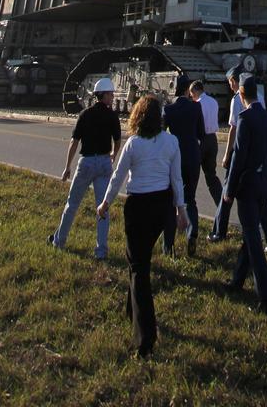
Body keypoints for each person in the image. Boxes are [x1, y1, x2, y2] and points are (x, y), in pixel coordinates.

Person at [97, 94, 187, 358]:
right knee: (138, 261)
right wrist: (181, 211)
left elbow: (117, 178)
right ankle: (131, 310)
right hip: (162, 208)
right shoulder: (172, 141)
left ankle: (145, 339)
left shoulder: (133, 144)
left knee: (139, 268)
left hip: (138, 207)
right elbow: (177, 179)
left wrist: (105, 204)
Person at [48, 76, 121, 259]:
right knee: (102, 208)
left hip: (86, 162)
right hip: (104, 163)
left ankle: (59, 241)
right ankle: (101, 251)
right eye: (111, 94)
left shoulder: (85, 114)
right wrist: (113, 154)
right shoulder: (112, 116)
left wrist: (67, 167)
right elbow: (118, 141)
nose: (113, 97)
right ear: (103, 95)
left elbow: (74, 142)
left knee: (72, 204)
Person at [222, 74, 267, 314]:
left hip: (246, 186)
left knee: (253, 238)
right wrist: (265, 179)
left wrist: (229, 190)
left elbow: (238, 158)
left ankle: (266, 297)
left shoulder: (244, 119)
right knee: (249, 233)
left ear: (241, 95)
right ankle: (237, 280)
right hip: (263, 184)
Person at [209, 67, 267, 250]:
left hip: (244, 157)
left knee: (227, 195)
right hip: (261, 165)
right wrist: (266, 177)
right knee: (261, 204)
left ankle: (219, 231)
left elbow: (234, 133)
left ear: (239, 89)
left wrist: (226, 155)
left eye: (231, 83)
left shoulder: (240, 109)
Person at [162, 74, 205, 256]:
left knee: (172, 201)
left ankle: (168, 246)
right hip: (193, 155)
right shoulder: (196, 107)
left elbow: (161, 134)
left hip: (174, 157)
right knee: (190, 199)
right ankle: (192, 232)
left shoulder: (168, 110)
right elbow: (202, 133)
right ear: (188, 89)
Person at [189, 79, 222, 207]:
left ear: (196, 91)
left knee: (193, 174)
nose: (192, 96)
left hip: (201, 140)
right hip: (213, 140)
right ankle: (220, 204)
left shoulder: (197, 104)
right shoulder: (213, 102)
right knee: (211, 175)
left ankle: (190, 204)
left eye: (192, 93)